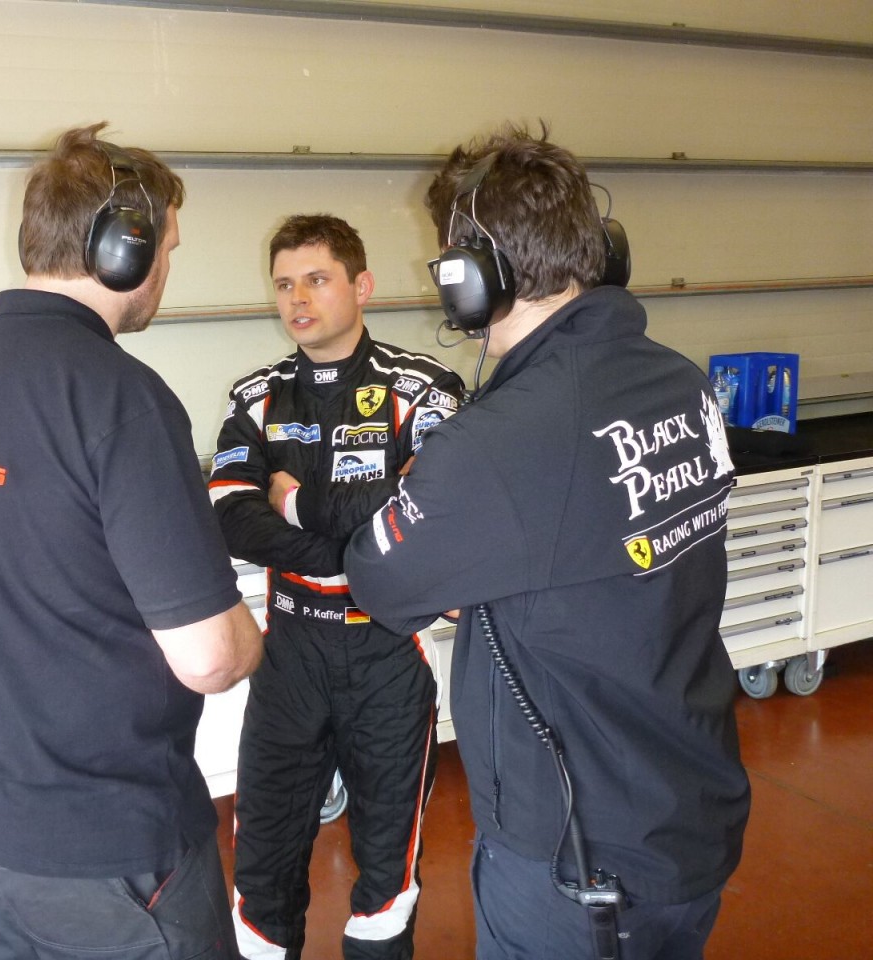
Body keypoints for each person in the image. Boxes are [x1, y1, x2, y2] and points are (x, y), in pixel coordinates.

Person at [305, 124, 751, 959]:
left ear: (472, 280)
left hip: (577, 863)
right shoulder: (680, 382)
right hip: (692, 811)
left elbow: (381, 581)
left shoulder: (498, 442)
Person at [0, 121, 263, 960]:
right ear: (123, 248)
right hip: (105, 841)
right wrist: (253, 638)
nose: (166, 269)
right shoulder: (119, 397)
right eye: (167, 247)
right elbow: (209, 658)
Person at [208, 214, 466, 960]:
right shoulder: (256, 397)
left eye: (317, 280)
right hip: (287, 658)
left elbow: (431, 511)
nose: (298, 299)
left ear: (362, 286)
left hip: (386, 654)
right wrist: (359, 539)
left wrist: (292, 505)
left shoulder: (424, 390)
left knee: (387, 874)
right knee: (261, 873)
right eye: (284, 284)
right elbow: (232, 518)